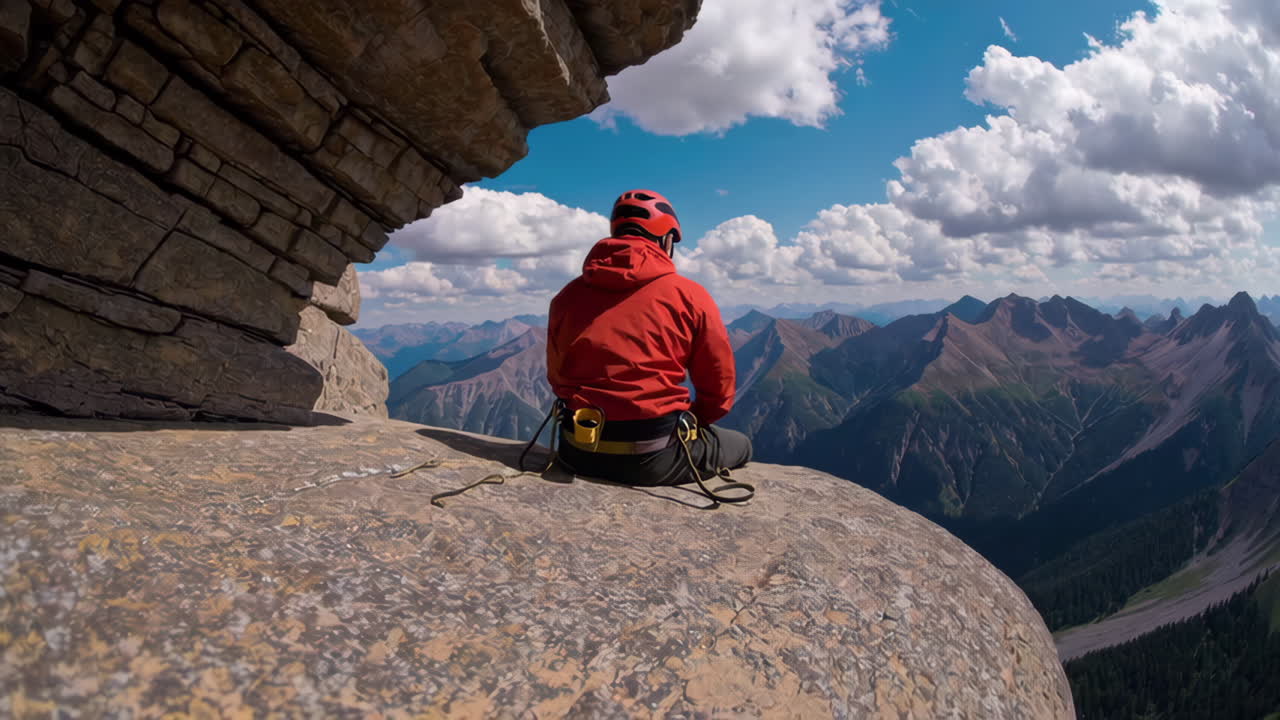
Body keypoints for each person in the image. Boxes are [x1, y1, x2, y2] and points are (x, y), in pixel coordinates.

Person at [546, 189, 753, 496]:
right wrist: (694, 421)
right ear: (667, 238)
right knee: (743, 446)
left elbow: (559, 380)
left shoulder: (566, 297)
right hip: (655, 457)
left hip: (576, 450)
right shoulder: (689, 296)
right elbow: (719, 390)